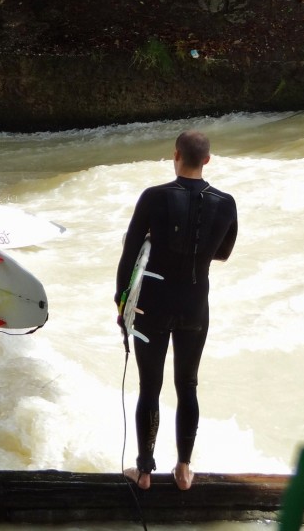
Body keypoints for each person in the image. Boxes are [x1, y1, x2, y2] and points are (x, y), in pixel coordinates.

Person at [116, 130, 237, 492]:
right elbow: (223, 252)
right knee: (188, 385)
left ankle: (144, 472)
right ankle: (184, 470)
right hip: (195, 305)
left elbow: (130, 254)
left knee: (149, 387)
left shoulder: (153, 197)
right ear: (207, 160)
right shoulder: (226, 202)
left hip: (152, 304)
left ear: (176, 155)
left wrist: (122, 302)